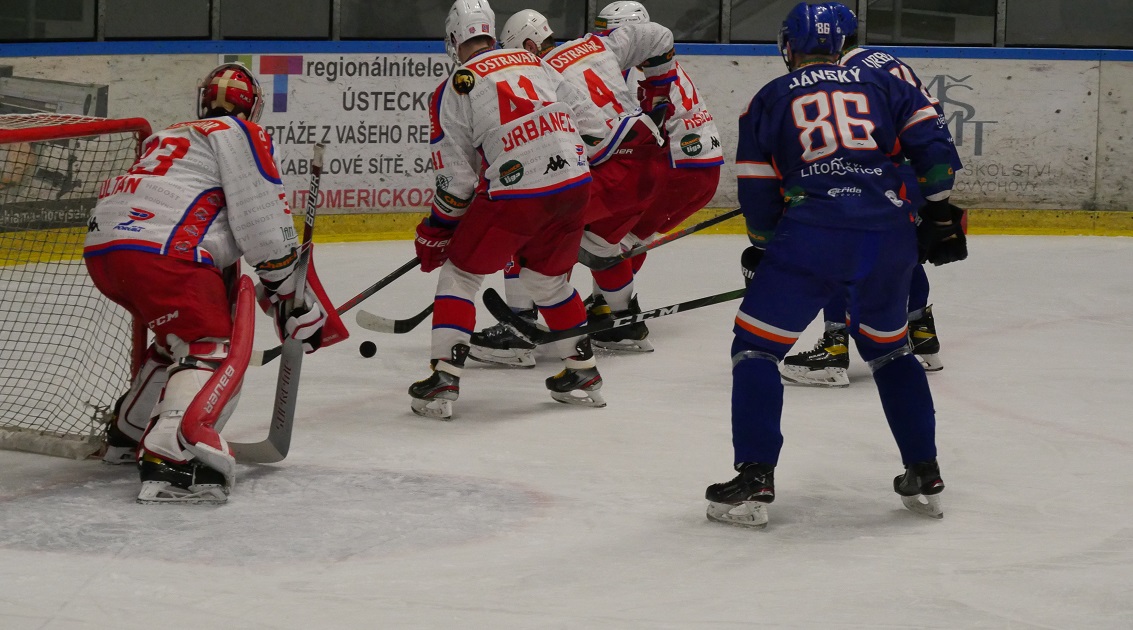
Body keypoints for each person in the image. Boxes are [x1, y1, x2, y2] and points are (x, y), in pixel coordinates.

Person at [705, 2, 966, 528]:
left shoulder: (768, 97)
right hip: (889, 237)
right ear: (844, 43)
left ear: (787, 47)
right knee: (891, 351)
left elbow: (757, 192)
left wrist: (765, 245)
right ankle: (924, 469)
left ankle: (756, 476)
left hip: (812, 237)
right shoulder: (884, 80)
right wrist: (932, 206)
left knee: (755, 348)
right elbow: (937, 160)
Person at [84, 62, 345, 504]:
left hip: (105, 252)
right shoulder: (243, 134)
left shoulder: (169, 136)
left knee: (176, 341)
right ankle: (172, 454)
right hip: (164, 252)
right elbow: (261, 218)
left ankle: (126, 433)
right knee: (207, 345)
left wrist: (279, 291)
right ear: (253, 108)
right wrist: (288, 291)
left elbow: (206, 218)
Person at [409, 0, 618, 418]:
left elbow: (458, 184)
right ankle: (582, 371)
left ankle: (444, 377)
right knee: (548, 281)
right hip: (576, 186)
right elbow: (595, 127)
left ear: (454, 40)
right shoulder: (534, 61)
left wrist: (436, 230)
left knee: (461, 272)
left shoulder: (457, 84)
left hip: (519, 195)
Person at [466, 6, 675, 366]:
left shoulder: (541, 76)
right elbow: (660, 35)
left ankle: (519, 330)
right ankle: (625, 324)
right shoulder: (596, 45)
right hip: (652, 166)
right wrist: (657, 94)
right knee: (601, 243)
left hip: (615, 169)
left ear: (529, 45)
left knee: (525, 224)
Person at [780, 1, 963, 388]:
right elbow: (927, 127)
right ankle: (922, 336)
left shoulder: (842, 73)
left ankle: (833, 349)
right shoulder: (885, 60)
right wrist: (938, 205)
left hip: (878, 175)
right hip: (916, 171)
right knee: (904, 255)